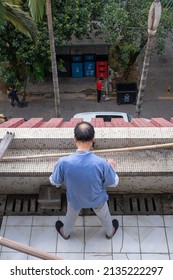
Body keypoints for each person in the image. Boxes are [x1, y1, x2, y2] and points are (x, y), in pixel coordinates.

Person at [49, 121, 119, 240]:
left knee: (70, 217)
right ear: (93, 139)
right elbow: (114, 183)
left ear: (74, 139)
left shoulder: (63, 162)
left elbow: (55, 182)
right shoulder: (102, 163)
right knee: (105, 217)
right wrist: (111, 167)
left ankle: (65, 233)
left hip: (75, 199)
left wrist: (56, 168)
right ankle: (109, 232)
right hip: (97, 199)